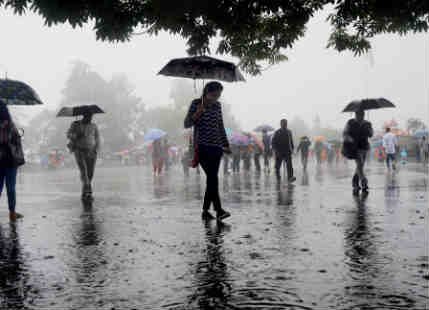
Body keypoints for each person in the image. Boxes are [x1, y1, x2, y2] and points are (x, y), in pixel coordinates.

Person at [184, 81, 231, 221]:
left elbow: (220, 125)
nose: (216, 98)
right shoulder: (196, 103)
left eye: (219, 95)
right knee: (212, 178)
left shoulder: (217, 106)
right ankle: (218, 210)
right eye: (214, 94)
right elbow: (187, 123)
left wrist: (226, 144)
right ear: (207, 92)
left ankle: (206, 211)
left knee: (212, 179)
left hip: (216, 148)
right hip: (202, 147)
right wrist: (197, 113)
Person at [67, 112, 100, 199]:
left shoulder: (94, 126)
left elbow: (97, 138)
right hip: (79, 151)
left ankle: (84, 190)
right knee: (84, 172)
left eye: (91, 116)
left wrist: (96, 149)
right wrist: (76, 135)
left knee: (90, 173)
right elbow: (68, 134)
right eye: (88, 116)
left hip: (92, 152)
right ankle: (88, 191)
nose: (90, 118)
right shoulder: (75, 124)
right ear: (84, 116)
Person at [0, 105, 24, 221]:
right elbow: (17, 143)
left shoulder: (11, 126)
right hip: (10, 161)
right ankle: (12, 213)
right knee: (10, 188)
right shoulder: (11, 126)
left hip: (5, 162)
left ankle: (12, 213)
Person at [343, 109, 373, 194]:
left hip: (364, 147)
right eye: (358, 115)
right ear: (355, 115)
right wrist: (349, 138)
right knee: (359, 164)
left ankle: (355, 181)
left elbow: (371, 134)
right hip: (355, 147)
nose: (360, 116)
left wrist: (368, 130)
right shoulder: (350, 122)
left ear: (363, 115)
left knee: (360, 166)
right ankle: (364, 181)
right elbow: (345, 133)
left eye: (362, 115)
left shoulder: (367, 123)